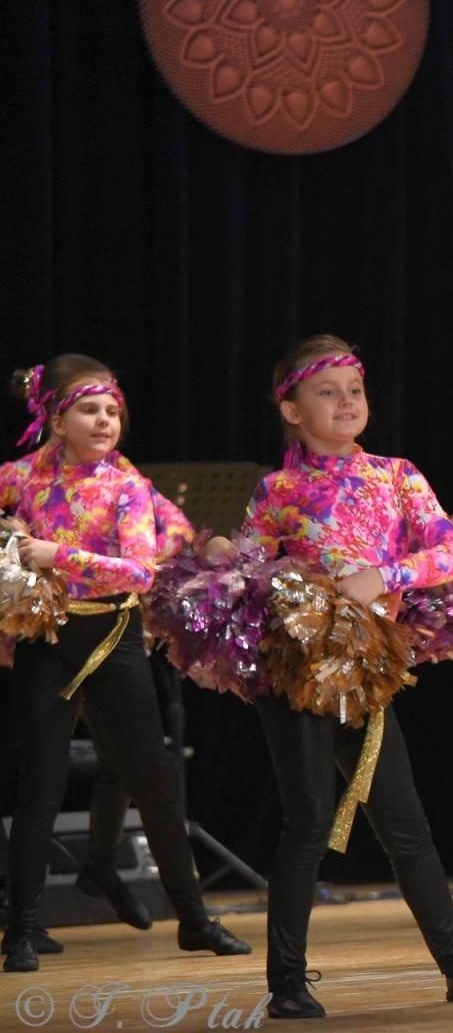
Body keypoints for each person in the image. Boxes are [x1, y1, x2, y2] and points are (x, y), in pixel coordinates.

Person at [210, 336, 453, 1017]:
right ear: (290, 408)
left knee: (407, 828)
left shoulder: (397, 475)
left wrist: (390, 575)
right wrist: (231, 553)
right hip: (297, 670)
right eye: (327, 391)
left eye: (355, 389)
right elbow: (251, 562)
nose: (347, 402)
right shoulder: (280, 490)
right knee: (309, 818)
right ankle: (286, 984)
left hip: (368, 670)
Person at [1, 356, 250, 973]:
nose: (106, 421)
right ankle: (22, 928)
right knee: (38, 786)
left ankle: (192, 919)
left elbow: (141, 571)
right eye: (90, 409)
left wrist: (55, 552)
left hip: (114, 636)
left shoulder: (127, 487)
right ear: (57, 420)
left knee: (154, 784)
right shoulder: (16, 478)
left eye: (113, 411)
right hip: (46, 635)